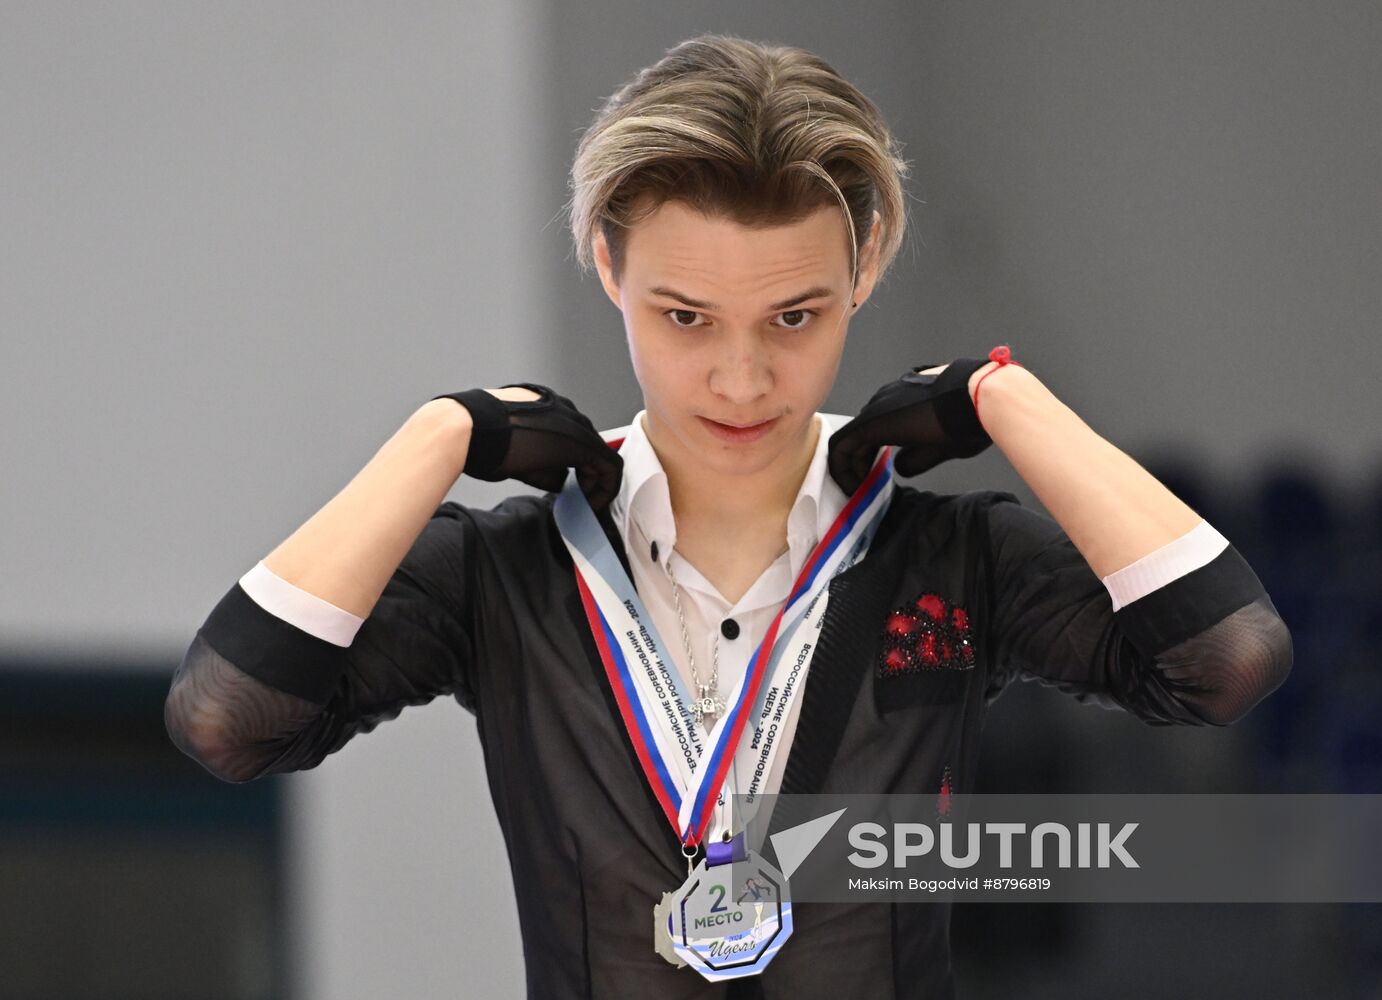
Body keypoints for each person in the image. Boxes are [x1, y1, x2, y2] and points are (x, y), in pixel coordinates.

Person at [163, 33, 1293, 999]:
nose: (742, 379)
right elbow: (226, 720)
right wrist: (440, 435)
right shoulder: (501, 573)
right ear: (606, 264)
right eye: (685, 317)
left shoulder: (953, 558)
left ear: (864, 269)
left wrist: (1007, 397)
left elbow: (1224, 660)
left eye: (794, 315)